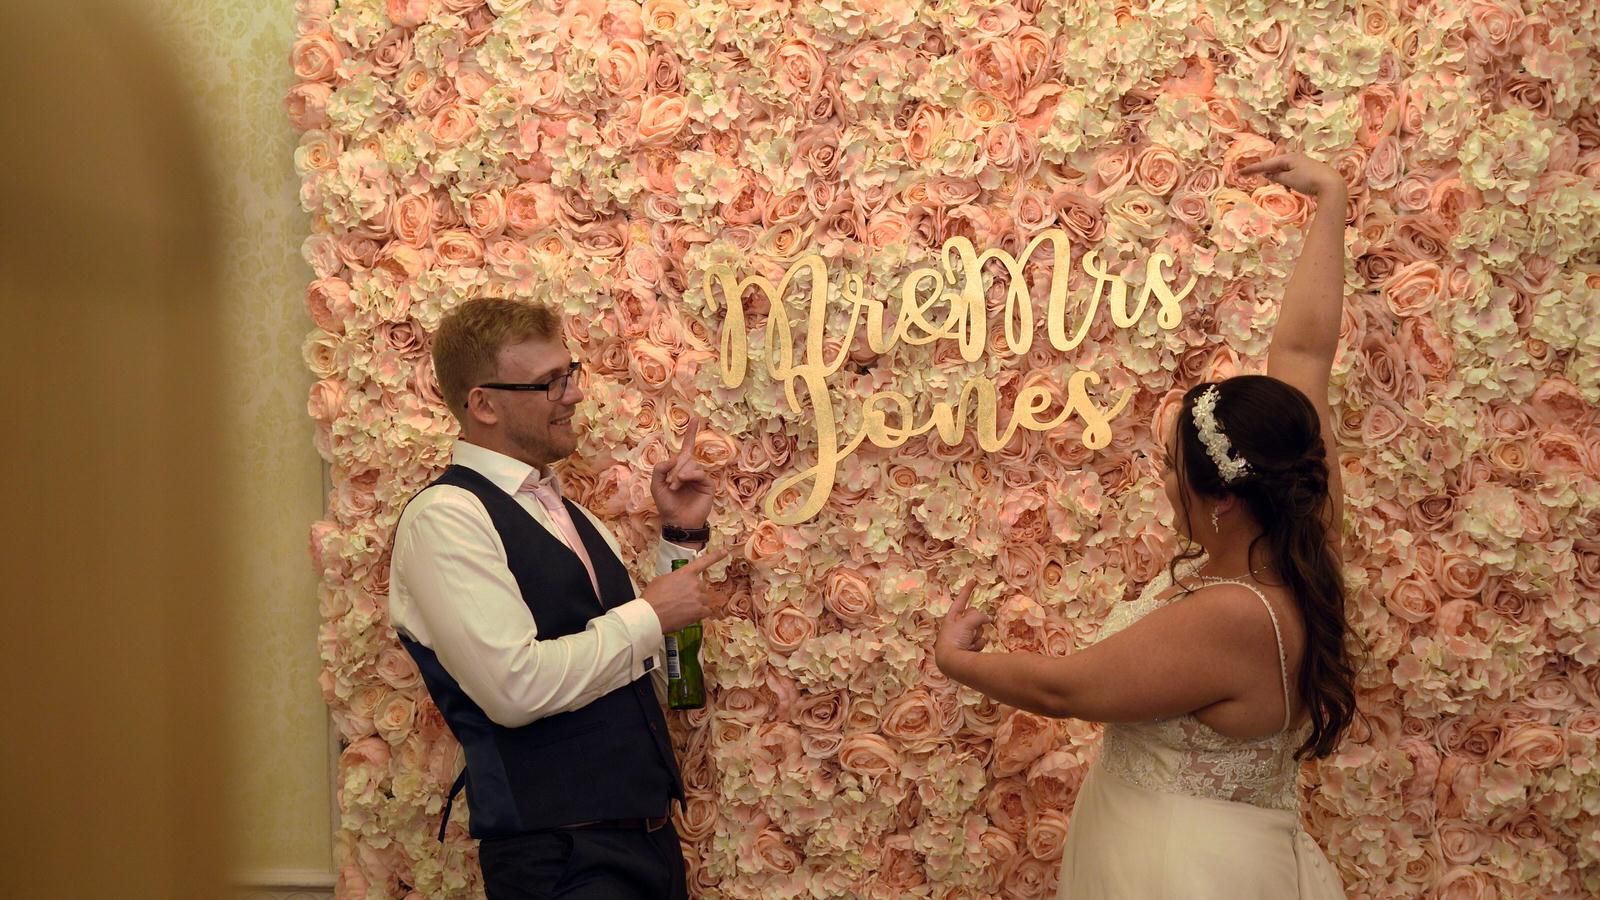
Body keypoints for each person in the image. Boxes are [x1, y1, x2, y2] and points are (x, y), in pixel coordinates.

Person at [934, 153, 1359, 898]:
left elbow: (1065, 691)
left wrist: (957, 660)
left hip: (1182, 870)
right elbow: (1303, 351)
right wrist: (1330, 202)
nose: (1163, 484)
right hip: (1196, 843)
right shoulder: (1301, 515)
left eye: (1171, 468)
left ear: (1221, 497)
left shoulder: (1234, 614)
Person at [389, 297, 727, 899]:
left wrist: (678, 537)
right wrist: (650, 613)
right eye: (549, 382)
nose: (572, 395)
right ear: (483, 404)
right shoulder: (446, 517)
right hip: (559, 858)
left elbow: (639, 673)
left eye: (568, 374)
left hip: (645, 841)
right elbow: (515, 689)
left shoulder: (572, 517)